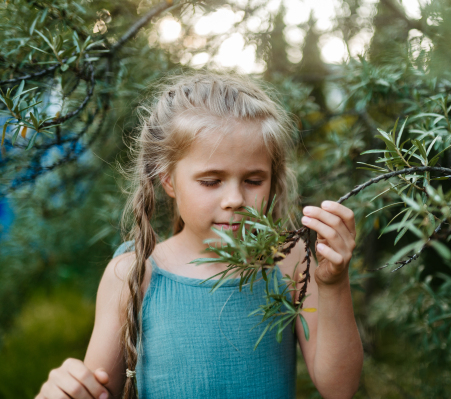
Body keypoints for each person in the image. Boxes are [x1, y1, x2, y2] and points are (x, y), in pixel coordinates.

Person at [36, 72, 363, 399]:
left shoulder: (290, 263)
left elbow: (339, 388)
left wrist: (334, 283)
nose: (235, 199)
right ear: (168, 180)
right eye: (211, 181)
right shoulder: (133, 274)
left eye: (253, 180)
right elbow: (96, 391)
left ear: (273, 179)